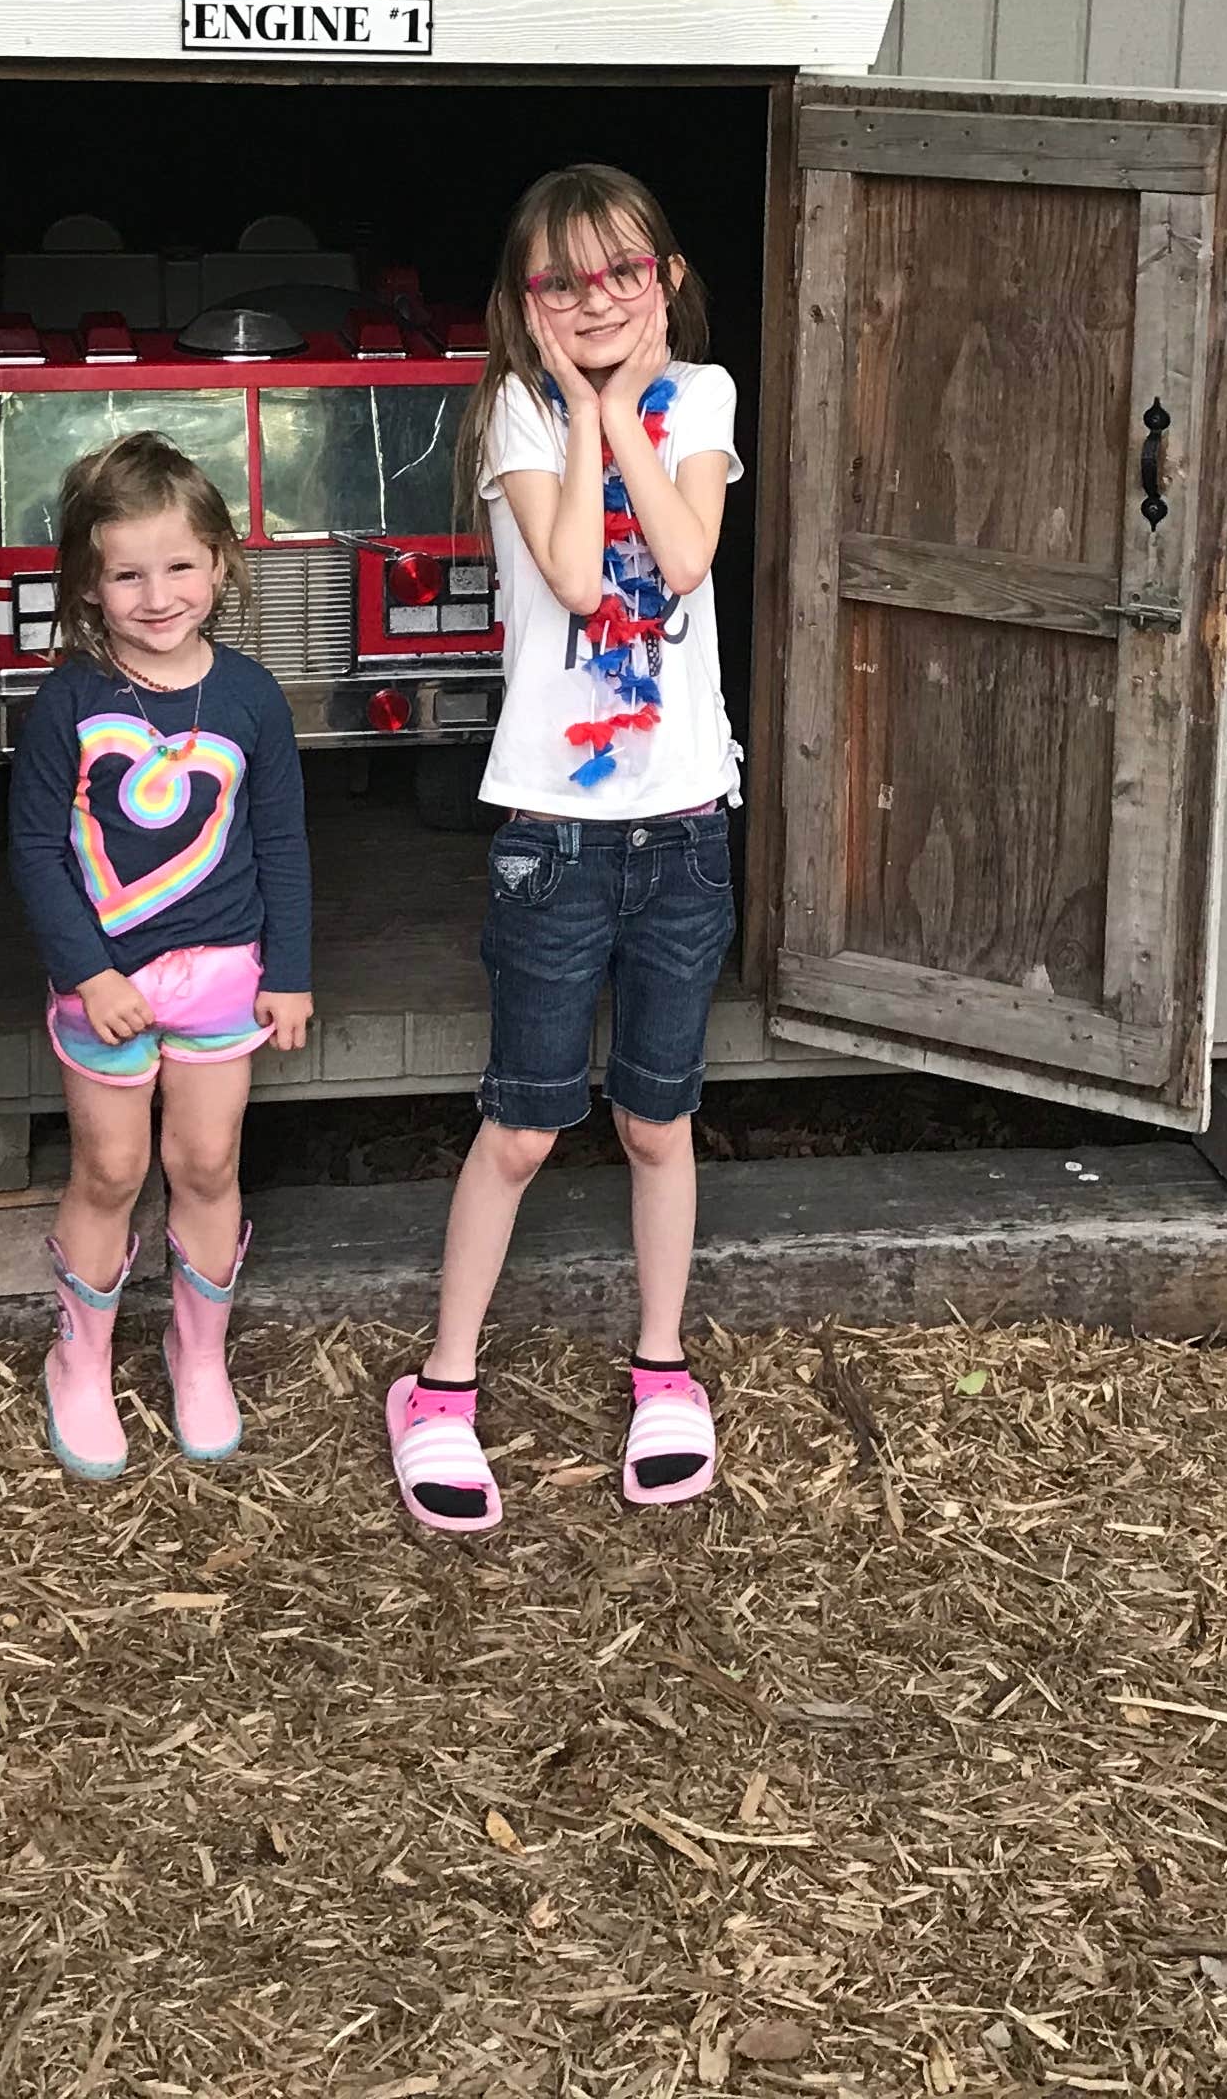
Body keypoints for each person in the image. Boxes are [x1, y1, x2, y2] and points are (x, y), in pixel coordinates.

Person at [384, 166, 742, 1532]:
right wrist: (588, 407)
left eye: (622, 273)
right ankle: (442, 1390)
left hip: (683, 822)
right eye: (564, 281)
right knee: (527, 1123)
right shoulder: (517, 417)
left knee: (660, 1116)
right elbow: (586, 583)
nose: (597, 298)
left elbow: (686, 551)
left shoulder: (701, 399)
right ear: (524, 305)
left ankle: (664, 1370)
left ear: (666, 277)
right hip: (555, 831)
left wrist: (631, 412)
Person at [8, 433, 312, 1481]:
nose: (157, 593)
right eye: (127, 573)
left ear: (221, 564)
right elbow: (38, 850)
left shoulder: (251, 698)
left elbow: (280, 841)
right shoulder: (70, 704)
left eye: (180, 566)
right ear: (90, 585)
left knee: (206, 1161)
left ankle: (198, 1353)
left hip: (224, 975)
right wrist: (89, 973)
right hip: (108, 985)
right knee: (113, 1166)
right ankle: (79, 1362)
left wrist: (290, 971)